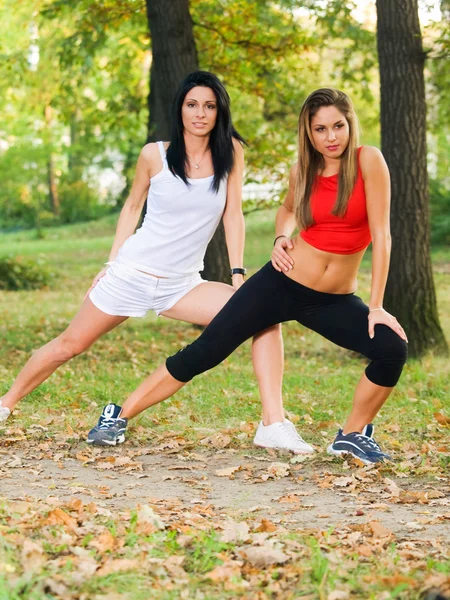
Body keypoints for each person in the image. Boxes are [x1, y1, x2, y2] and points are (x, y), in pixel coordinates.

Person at [88, 87, 408, 465]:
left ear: (350, 124)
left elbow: (383, 235)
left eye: (338, 126)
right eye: (320, 129)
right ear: (308, 132)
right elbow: (287, 210)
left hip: (333, 299)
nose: (331, 137)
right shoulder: (303, 171)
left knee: (390, 348)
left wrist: (376, 307)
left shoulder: (368, 160)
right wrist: (280, 237)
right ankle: (118, 416)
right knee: (206, 351)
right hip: (281, 283)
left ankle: (351, 435)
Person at [0, 71, 312, 455]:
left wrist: (236, 276)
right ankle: (5, 404)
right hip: (132, 273)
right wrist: (111, 263)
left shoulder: (231, 152)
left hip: (182, 284)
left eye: (209, 106)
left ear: (220, 112)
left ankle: (273, 423)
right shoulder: (155, 155)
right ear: (179, 108)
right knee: (69, 345)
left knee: (264, 314)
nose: (200, 114)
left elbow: (234, 215)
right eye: (192, 104)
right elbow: (132, 207)